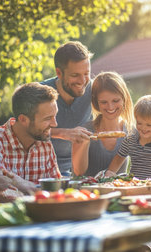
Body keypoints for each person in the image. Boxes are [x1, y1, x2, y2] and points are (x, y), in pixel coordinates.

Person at [0, 83, 61, 209]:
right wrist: (38, 193)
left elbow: (57, 190)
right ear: (23, 119)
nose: (54, 124)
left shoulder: (44, 144)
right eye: (48, 118)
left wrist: (26, 185)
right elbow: (1, 190)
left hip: (33, 224)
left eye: (54, 116)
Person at [41, 41, 93, 176]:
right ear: (59, 72)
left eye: (86, 73)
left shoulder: (92, 89)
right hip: (44, 169)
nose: (82, 81)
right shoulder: (39, 93)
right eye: (75, 75)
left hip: (78, 169)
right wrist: (63, 133)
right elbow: (23, 130)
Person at [72, 71, 134, 177]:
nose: (110, 107)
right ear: (96, 103)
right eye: (104, 102)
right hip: (87, 191)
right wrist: (84, 143)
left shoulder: (131, 131)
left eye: (115, 100)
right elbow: (78, 172)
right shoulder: (84, 130)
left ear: (124, 99)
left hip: (119, 190)